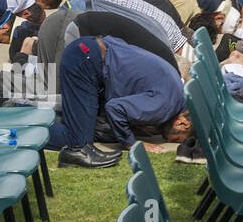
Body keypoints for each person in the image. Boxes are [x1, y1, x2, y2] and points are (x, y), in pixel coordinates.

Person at [46, 35, 192, 168]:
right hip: (86, 60)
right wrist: (131, 143)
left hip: (89, 51)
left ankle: (34, 118)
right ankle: (25, 129)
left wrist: (138, 122)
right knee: (78, 142)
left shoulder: (176, 94)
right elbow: (115, 108)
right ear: (182, 123)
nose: (168, 139)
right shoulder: (166, 105)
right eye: (177, 139)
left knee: (80, 123)